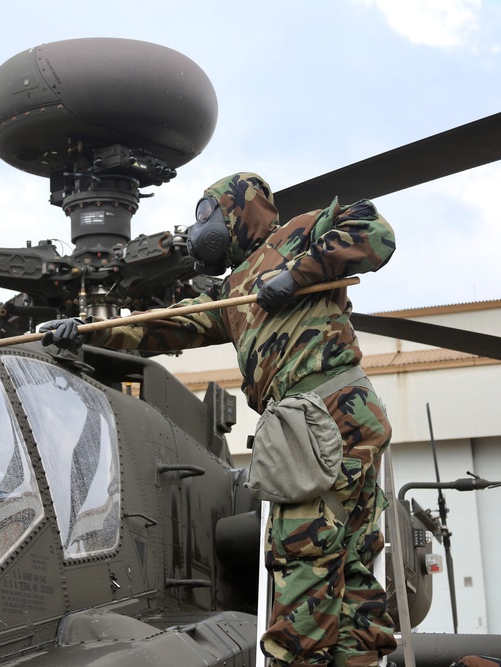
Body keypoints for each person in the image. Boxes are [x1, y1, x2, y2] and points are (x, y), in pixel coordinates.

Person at [39, 172, 397, 667]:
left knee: (304, 551)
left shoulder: (299, 233)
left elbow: (374, 232)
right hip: (338, 414)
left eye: (205, 214)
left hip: (320, 414)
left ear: (237, 210)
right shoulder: (234, 290)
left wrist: (297, 276)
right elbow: (169, 325)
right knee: (349, 561)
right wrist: (90, 333)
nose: (199, 229)